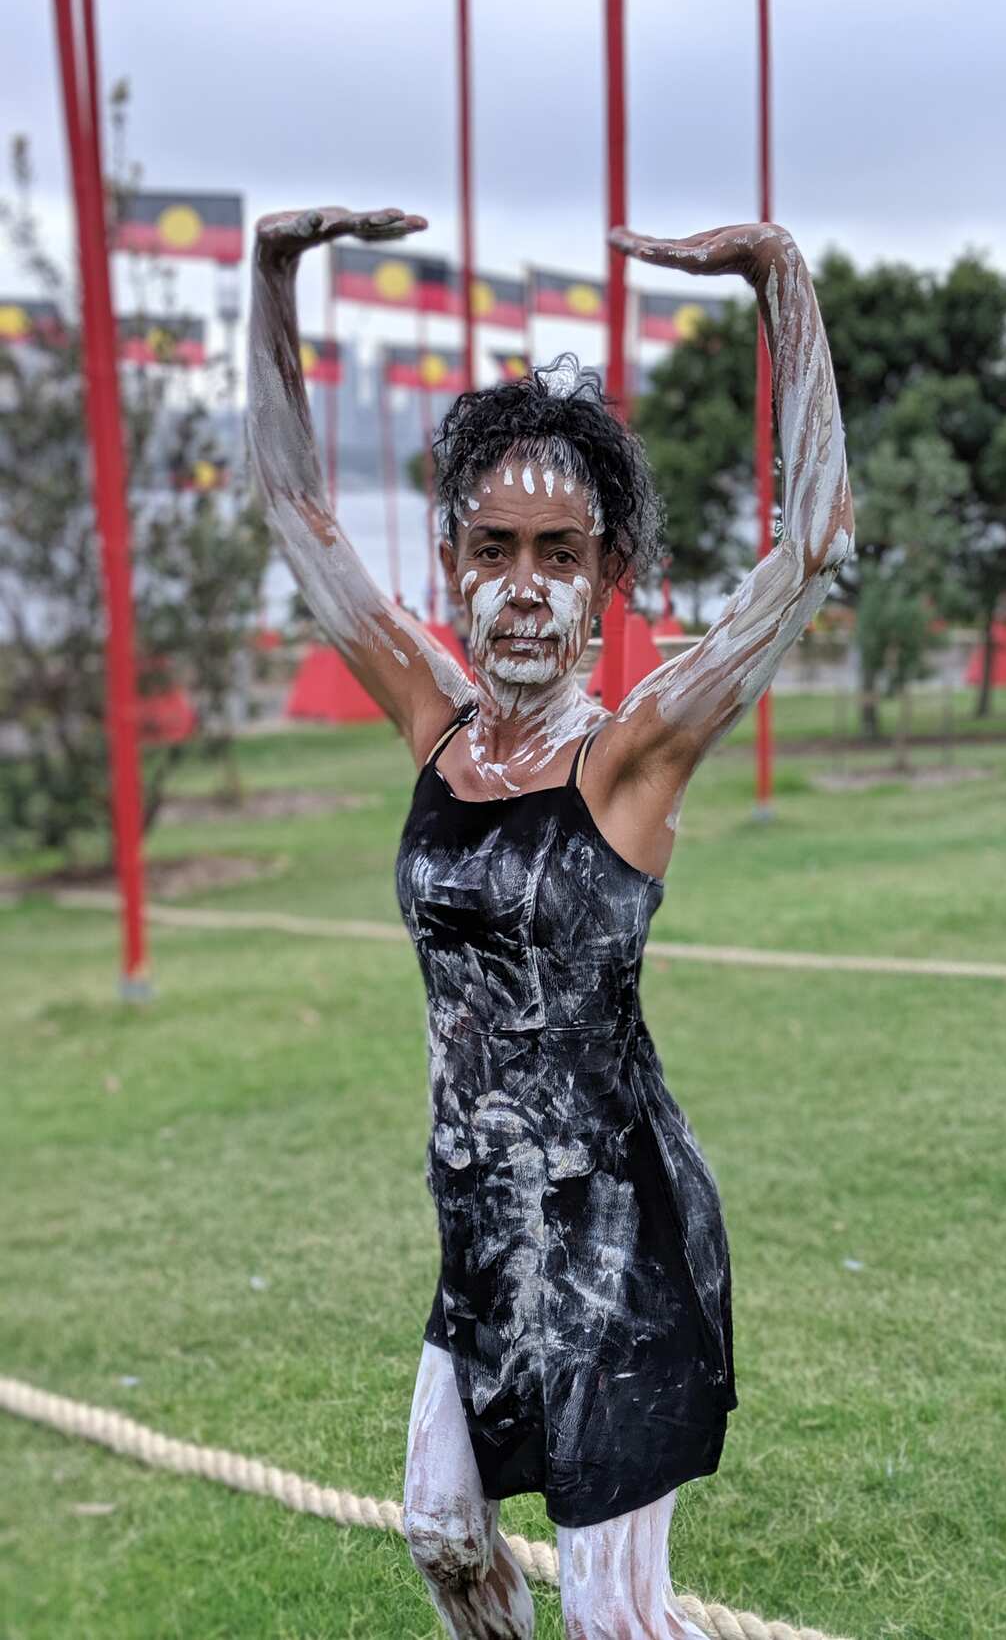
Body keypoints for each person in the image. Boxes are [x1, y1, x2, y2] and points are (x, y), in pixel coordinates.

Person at [247, 206, 853, 1640]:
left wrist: (783, 283)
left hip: (617, 1246)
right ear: (452, 560)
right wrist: (272, 276)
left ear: (605, 578)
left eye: (561, 552)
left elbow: (816, 544)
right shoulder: (431, 717)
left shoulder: (632, 754)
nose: (525, 586)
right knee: (449, 1540)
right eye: (496, 547)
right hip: (482, 1229)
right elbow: (293, 509)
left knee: (616, 1622)